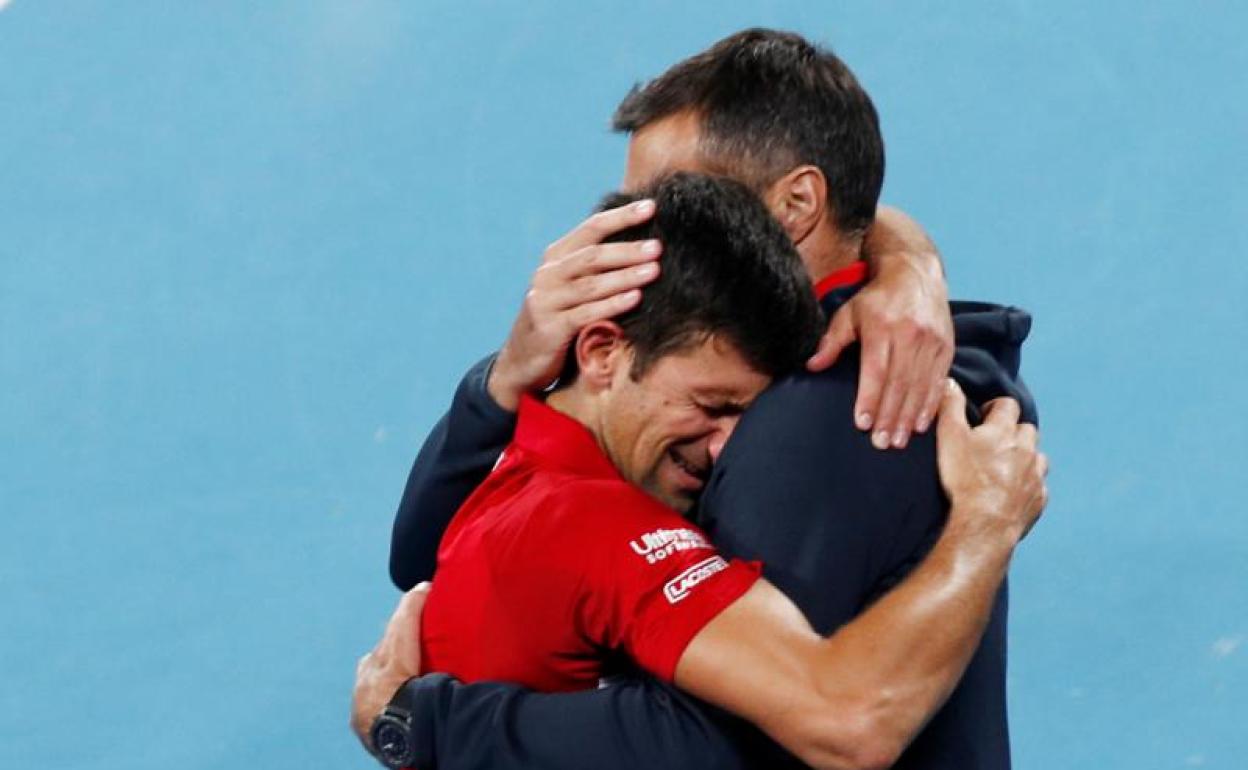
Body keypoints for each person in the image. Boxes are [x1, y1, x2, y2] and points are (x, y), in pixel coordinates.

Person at [360, 28, 1041, 770]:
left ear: (797, 205)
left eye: (678, 198)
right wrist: (506, 380)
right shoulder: (713, 387)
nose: (638, 235)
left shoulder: (816, 422)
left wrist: (425, 723)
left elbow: (742, 739)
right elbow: (432, 554)